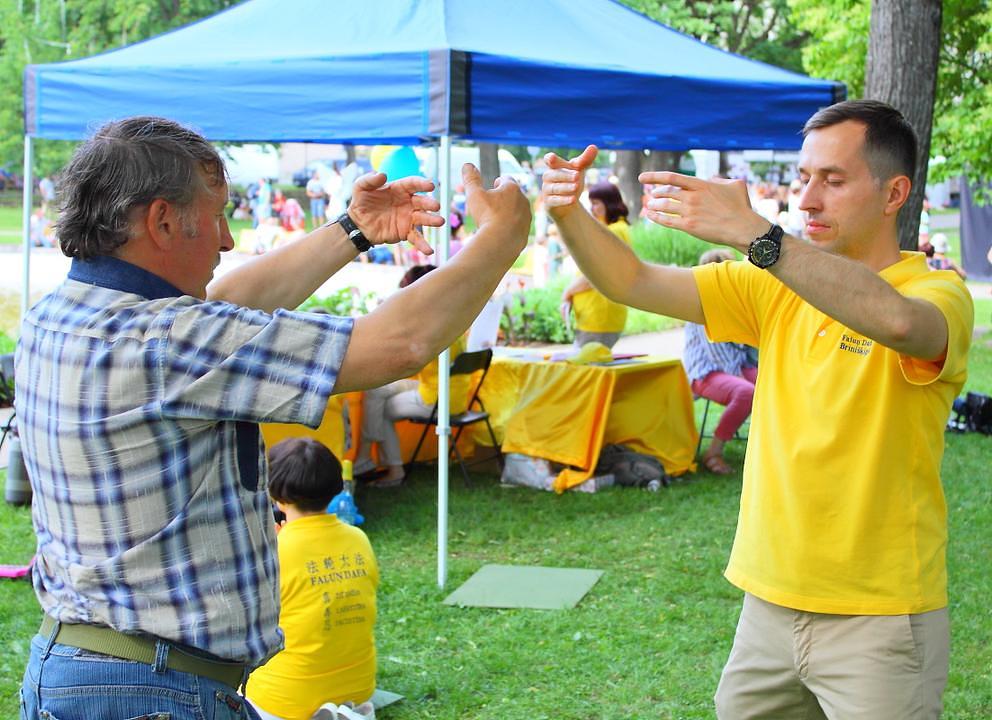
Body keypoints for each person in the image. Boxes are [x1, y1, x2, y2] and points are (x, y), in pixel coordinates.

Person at [16, 115, 530, 719]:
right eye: (216, 216)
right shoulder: (166, 342)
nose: (226, 240)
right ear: (161, 221)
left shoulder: (62, 315)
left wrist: (354, 230)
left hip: (84, 666)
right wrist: (501, 239)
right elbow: (401, 344)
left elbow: (228, 304)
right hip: (151, 689)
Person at [542, 99, 972, 719]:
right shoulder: (775, 284)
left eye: (833, 180)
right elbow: (631, 281)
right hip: (767, 605)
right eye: (804, 178)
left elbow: (900, 323)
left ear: (894, 193)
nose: (808, 199)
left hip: (878, 616)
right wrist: (567, 214)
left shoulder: (936, 292)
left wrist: (757, 236)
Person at [245, 438, 378, 720]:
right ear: (335, 485)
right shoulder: (358, 539)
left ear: (274, 491)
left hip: (282, 699)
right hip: (358, 688)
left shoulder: (272, 550)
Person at [354, 264, 471, 488]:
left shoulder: (428, 324)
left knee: (383, 409)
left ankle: (393, 470)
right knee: (376, 389)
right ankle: (364, 457)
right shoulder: (451, 313)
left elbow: (404, 361)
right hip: (450, 392)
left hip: (437, 398)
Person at [683, 248, 758, 475]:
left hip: (737, 365)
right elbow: (716, 353)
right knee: (746, 392)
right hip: (706, 372)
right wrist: (744, 377)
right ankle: (713, 452)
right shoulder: (700, 304)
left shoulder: (734, 301)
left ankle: (775, 446)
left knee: (777, 383)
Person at [560, 181, 632, 349]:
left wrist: (568, 292)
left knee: (586, 364)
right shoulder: (614, 229)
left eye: (596, 203)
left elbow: (597, 274)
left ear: (609, 203)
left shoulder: (614, 231)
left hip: (599, 319)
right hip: (595, 317)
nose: (592, 209)